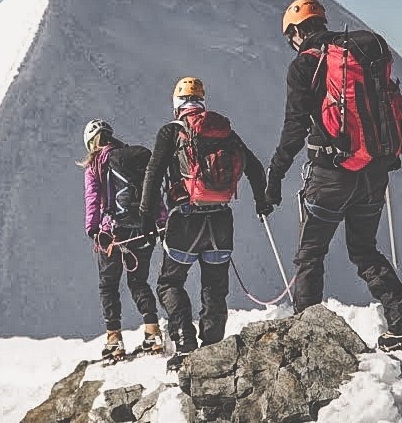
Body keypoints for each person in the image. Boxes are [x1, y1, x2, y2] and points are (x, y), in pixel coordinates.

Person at [263, 0, 402, 353]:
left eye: (291, 35)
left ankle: (309, 338)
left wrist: (274, 178)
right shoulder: (359, 54)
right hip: (375, 172)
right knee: (364, 250)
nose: (292, 42)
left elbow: (294, 129)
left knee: (310, 256)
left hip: (330, 176)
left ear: (298, 31)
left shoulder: (305, 66)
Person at [138, 77, 270, 370]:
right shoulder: (224, 132)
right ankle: (213, 346)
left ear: (177, 104)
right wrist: (262, 202)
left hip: (185, 220)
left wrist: (147, 216)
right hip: (221, 219)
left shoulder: (172, 131)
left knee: (170, 282)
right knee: (214, 286)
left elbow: (154, 172)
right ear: (202, 101)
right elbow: (256, 168)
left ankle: (185, 345)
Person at [79, 118, 164, 361]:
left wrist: (92, 229)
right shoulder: (134, 159)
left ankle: (114, 339)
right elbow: (153, 191)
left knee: (108, 285)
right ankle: (152, 332)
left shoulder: (96, 163)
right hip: (142, 230)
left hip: (111, 234)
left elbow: (92, 198)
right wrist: (161, 221)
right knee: (139, 282)